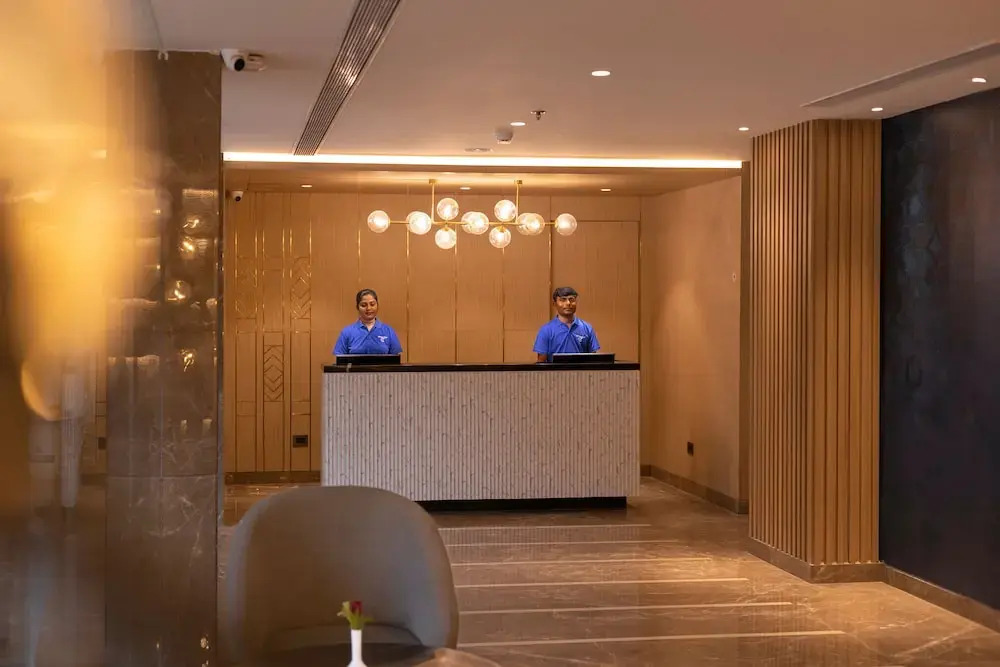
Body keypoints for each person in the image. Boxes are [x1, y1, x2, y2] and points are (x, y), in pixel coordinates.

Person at [533, 286, 600, 362]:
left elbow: (593, 360)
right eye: (563, 300)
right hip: (555, 370)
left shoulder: (587, 328)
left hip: (581, 370)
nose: (568, 303)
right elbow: (541, 362)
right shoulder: (546, 330)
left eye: (572, 299)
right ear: (554, 303)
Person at [333, 289, 403, 356]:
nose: (368, 308)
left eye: (372, 304)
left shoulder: (388, 331)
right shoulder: (347, 332)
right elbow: (339, 358)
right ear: (357, 307)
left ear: (377, 305)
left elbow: (396, 358)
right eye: (363, 305)